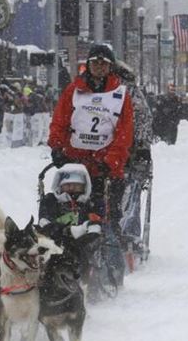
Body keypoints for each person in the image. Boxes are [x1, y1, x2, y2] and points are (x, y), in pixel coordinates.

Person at [47, 43, 133, 242]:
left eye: (104, 63)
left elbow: (124, 134)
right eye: (95, 62)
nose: (99, 67)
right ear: (88, 65)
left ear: (111, 67)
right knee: (65, 206)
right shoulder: (74, 91)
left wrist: (111, 162)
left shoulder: (120, 94)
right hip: (75, 162)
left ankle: (110, 244)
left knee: (108, 211)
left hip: (105, 166)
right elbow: (60, 121)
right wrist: (57, 147)